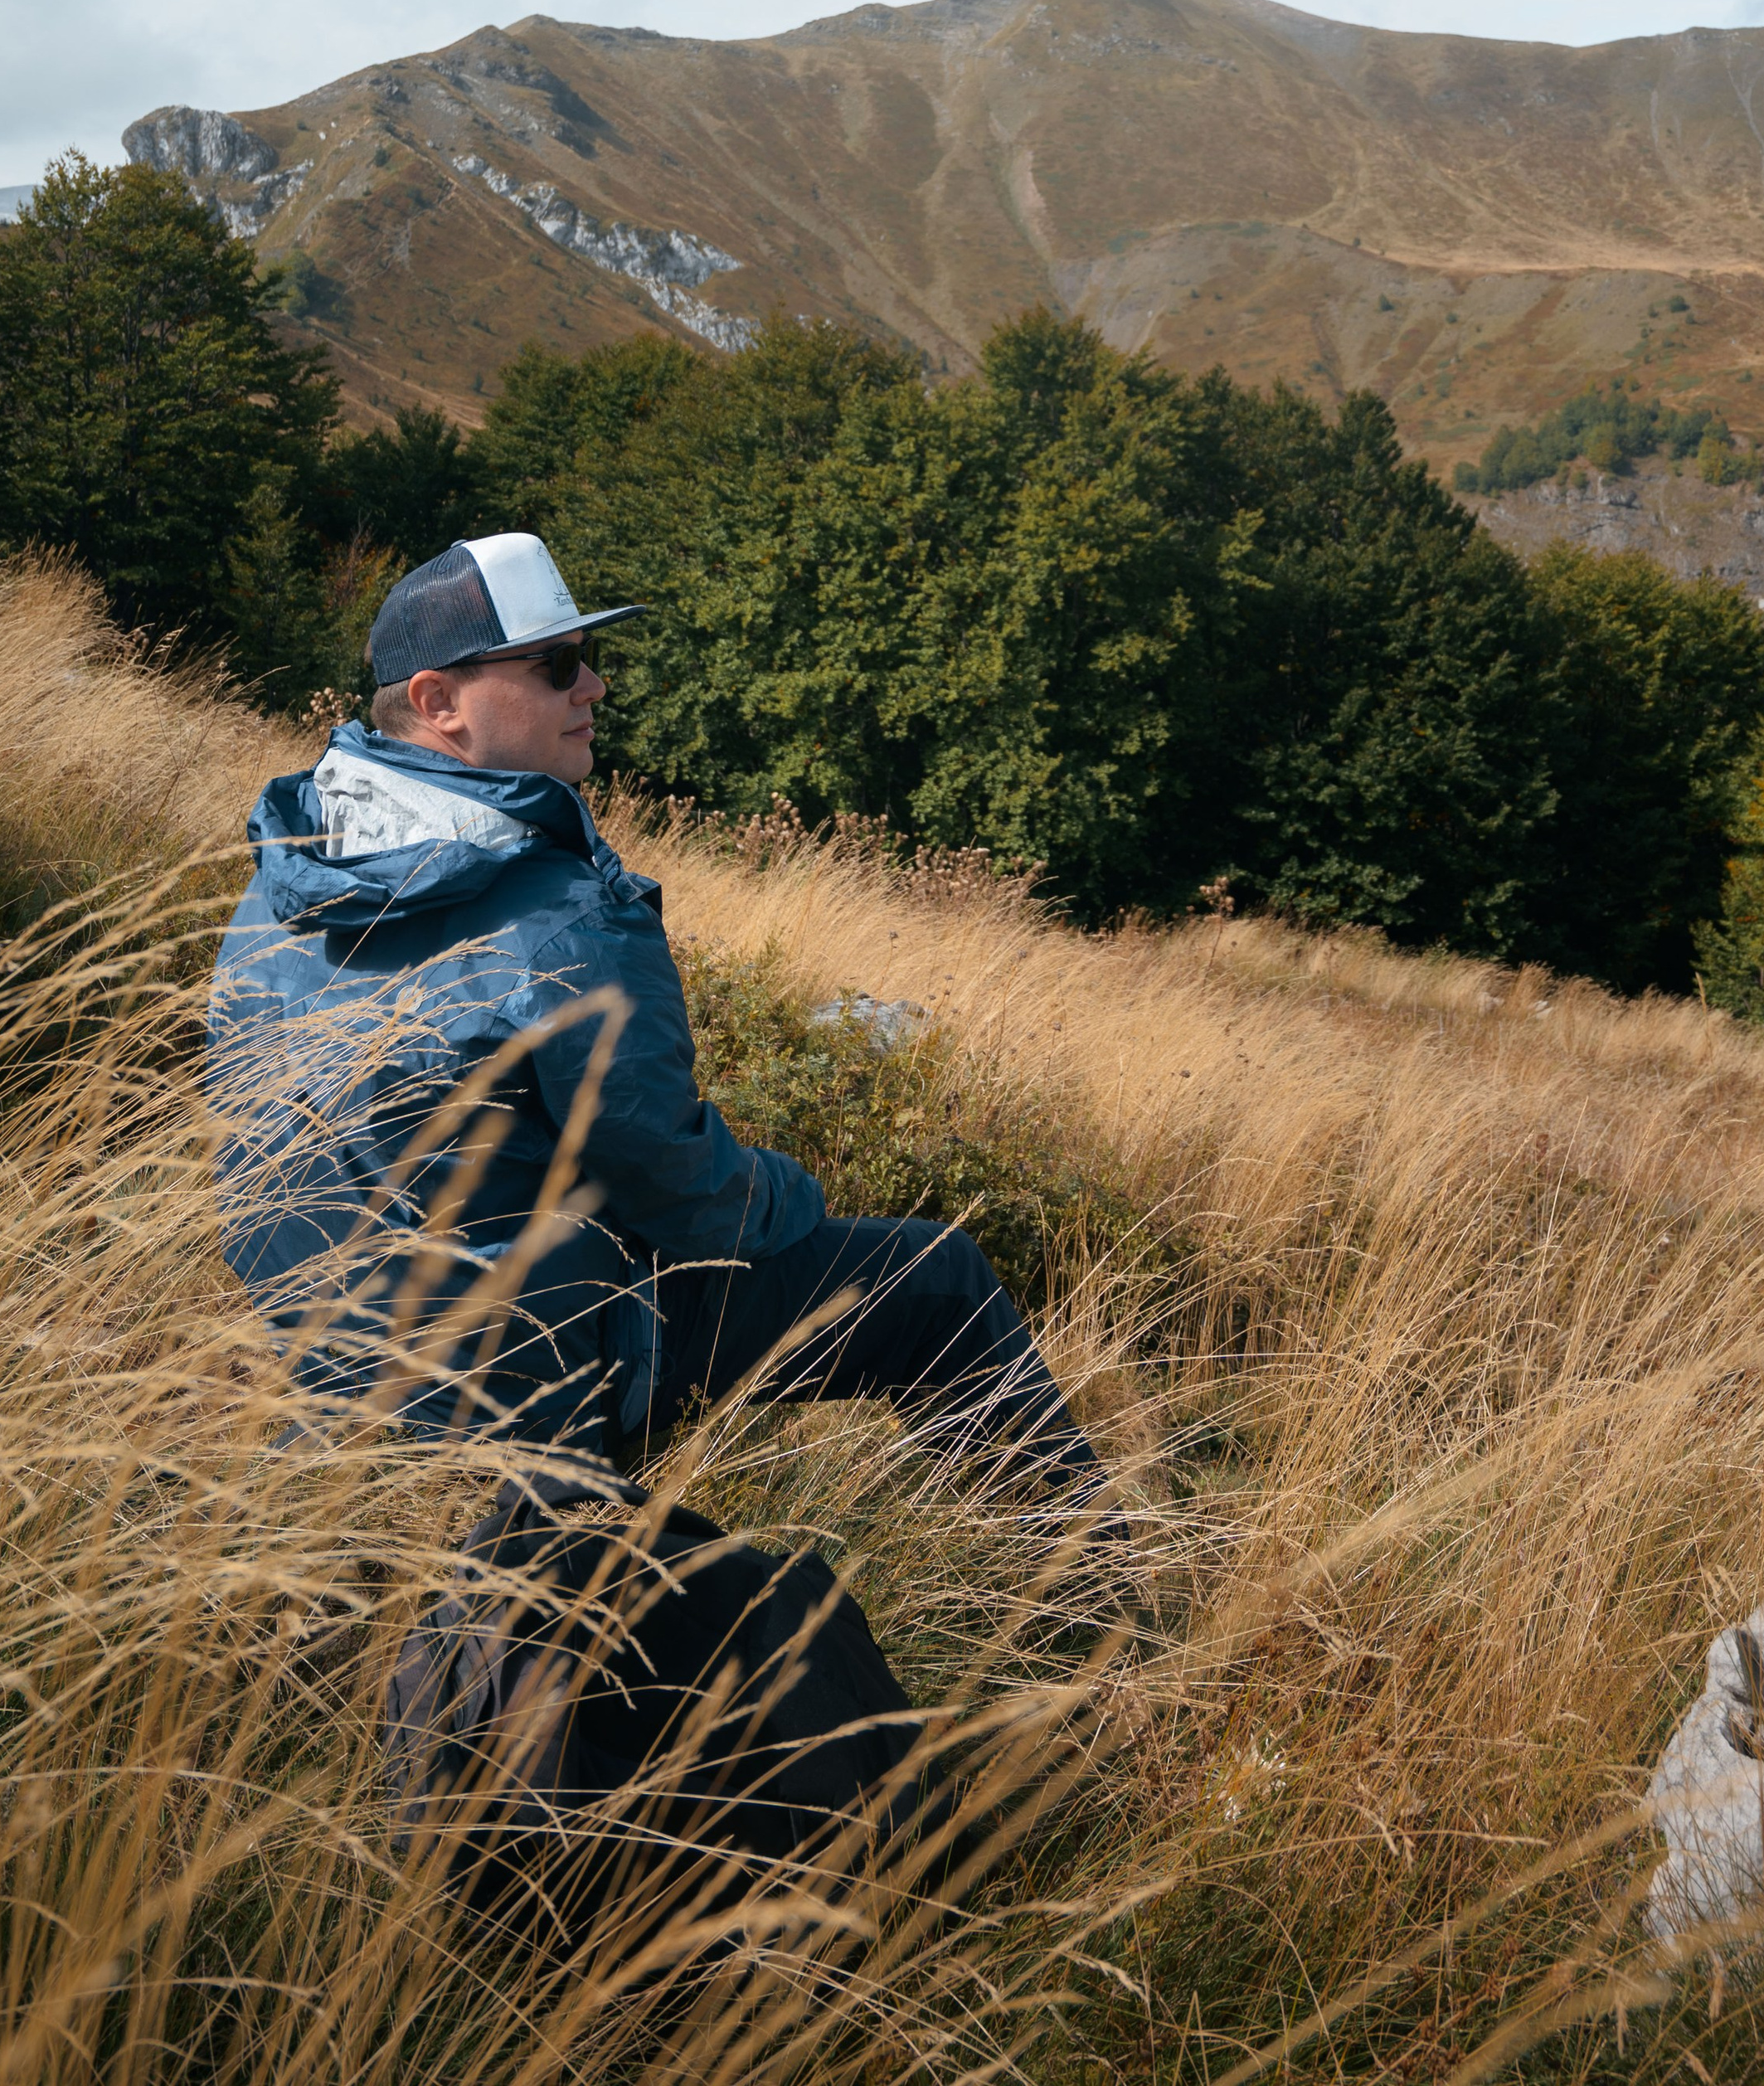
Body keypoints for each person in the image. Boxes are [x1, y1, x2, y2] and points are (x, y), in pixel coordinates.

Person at [209, 531, 1121, 1546]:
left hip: (324, 1383)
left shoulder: (278, 887)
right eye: (556, 665)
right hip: (517, 1385)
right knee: (933, 1276)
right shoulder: (558, 917)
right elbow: (689, 1198)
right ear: (437, 702)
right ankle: (1090, 1594)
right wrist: (792, 1188)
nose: (593, 686)